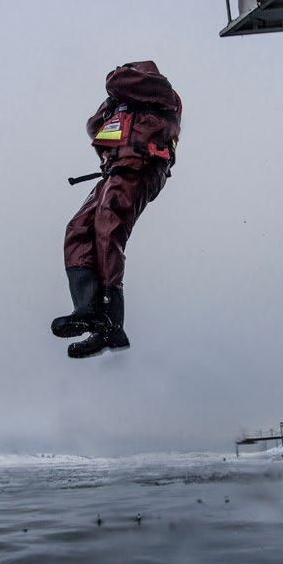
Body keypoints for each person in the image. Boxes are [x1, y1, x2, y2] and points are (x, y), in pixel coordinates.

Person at [53, 61, 182, 358]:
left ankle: (112, 320)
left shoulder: (163, 93)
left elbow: (119, 82)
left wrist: (116, 88)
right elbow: (94, 126)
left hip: (140, 167)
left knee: (107, 227)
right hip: (116, 170)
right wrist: (113, 107)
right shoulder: (120, 103)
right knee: (79, 228)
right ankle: (89, 311)